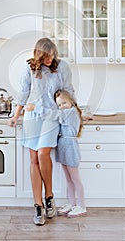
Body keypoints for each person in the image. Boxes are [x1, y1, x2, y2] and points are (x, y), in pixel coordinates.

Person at [8, 38, 75, 226]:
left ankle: (49, 196)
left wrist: (76, 112)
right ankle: (38, 206)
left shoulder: (61, 67)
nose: (50, 58)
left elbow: (68, 90)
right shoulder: (29, 68)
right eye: (46, 55)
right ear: (39, 54)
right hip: (32, 117)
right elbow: (23, 93)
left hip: (52, 116)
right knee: (34, 160)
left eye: (52, 54)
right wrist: (15, 116)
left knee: (43, 153)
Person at [40, 89, 87, 218]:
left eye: (64, 103)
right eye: (59, 105)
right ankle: (72, 204)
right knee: (69, 179)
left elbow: (53, 115)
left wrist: (36, 108)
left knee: (75, 178)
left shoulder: (70, 112)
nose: (62, 107)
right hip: (63, 146)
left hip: (70, 147)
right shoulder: (67, 112)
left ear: (71, 101)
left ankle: (81, 206)